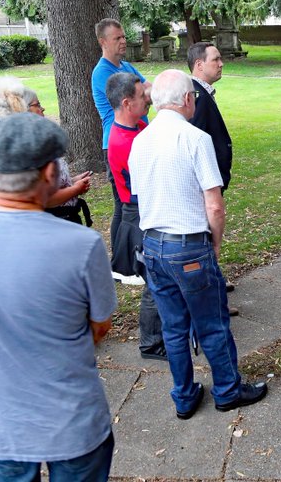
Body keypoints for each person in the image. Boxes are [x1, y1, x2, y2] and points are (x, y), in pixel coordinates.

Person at [0, 113, 117, 480]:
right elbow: (100, 327)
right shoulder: (81, 245)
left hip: (0, 426)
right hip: (73, 425)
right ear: (50, 172)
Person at [128, 69, 267, 418]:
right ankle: (227, 390)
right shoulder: (195, 139)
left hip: (154, 246)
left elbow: (138, 195)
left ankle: (185, 396)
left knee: (173, 328)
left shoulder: (139, 141)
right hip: (188, 245)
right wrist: (215, 247)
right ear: (188, 99)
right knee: (212, 323)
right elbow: (215, 204)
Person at [105, 72, 167, 360]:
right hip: (140, 212)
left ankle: (166, 331)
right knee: (155, 280)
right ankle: (151, 343)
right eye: (143, 97)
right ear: (128, 103)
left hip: (147, 206)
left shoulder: (137, 123)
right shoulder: (123, 142)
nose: (148, 100)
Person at [0, 77, 93, 225]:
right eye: (37, 105)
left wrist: (72, 181)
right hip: (55, 222)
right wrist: (75, 189)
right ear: (23, 110)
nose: (42, 108)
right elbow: (45, 198)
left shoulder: (36, 140)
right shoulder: (30, 147)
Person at [91, 18, 147, 265]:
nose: (124, 41)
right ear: (103, 42)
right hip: (117, 143)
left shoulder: (125, 65)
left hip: (137, 138)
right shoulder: (102, 72)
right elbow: (143, 92)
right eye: (118, 38)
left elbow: (146, 88)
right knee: (122, 206)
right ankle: (120, 260)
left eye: (124, 36)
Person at [187, 42, 239, 302]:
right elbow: (194, 139)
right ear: (199, 65)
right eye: (216, 59)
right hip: (204, 184)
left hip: (212, 179)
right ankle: (210, 291)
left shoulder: (202, 92)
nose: (221, 63)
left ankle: (214, 279)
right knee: (206, 235)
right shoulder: (196, 96)